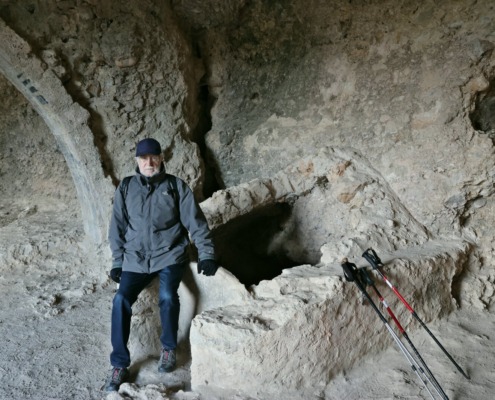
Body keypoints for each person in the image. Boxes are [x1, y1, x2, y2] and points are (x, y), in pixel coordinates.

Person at [104, 138, 218, 392]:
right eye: (143, 158)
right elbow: (117, 227)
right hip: (135, 258)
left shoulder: (176, 186)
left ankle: (168, 348)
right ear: (137, 161)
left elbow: (196, 222)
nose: (149, 162)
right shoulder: (126, 187)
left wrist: (207, 254)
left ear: (161, 158)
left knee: (167, 296)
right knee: (120, 300)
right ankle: (119, 365)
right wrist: (118, 261)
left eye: (153, 157)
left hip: (169, 255)